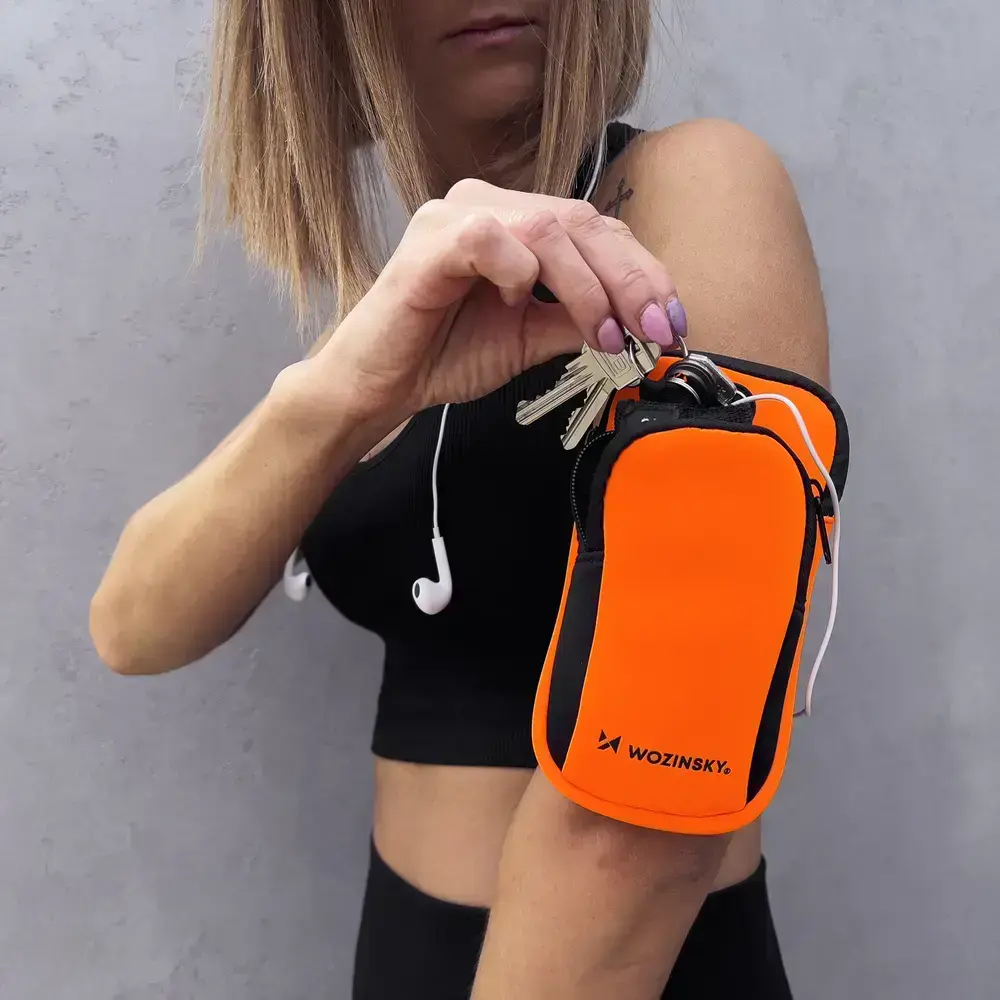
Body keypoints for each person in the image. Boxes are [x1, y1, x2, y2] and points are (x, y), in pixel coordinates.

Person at [90, 2, 829, 997]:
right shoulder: (401, 310)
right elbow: (134, 627)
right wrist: (343, 391)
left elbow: (647, 816)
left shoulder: (693, 185)